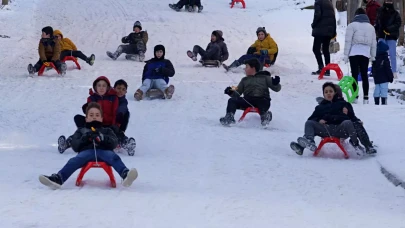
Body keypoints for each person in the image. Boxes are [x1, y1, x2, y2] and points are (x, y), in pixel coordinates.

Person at [40, 102, 138, 189]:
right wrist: (85, 138)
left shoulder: (107, 130)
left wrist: (102, 138)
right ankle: (59, 178)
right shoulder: (81, 130)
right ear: (86, 118)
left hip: (104, 152)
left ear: (101, 118)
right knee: (74, 161)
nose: (94, 117)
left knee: (114, 157)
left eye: (97, 115)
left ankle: (125, 174)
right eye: (91, 115)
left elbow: (114, 142)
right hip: (87, 152)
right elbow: (75, 145)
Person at [291, 82, 364, 156]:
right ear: (323, 94)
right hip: (325, 130)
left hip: (340, 129)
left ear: (335, 93)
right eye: (326, 92)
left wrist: (357, 121)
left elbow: (351, 116)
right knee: (309, 123)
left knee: (348, 122)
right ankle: (309, 142)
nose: (328, 93)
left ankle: (356, 145)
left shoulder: (342, 104)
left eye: (331, 91)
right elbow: (312, 118)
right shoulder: (320, 107)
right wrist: (319, 120)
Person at [220, 58, 281, 127]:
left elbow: (277, 89)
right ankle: (229, 117)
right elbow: (238, 91)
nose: (245, 69)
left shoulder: (265, 77)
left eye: (246, 67)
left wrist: (276, 84)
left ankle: (265, 117)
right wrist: (231, 91)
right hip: (248, 100)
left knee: (263, 104)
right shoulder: (244, 80)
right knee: (232, 101)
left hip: (262, 99)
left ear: (253, 68)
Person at [343, 8, 376, 104]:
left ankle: (355, 96)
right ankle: (366, 98)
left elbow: (348, 41)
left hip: (354, 52)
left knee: (354, 75)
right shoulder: (371, 27)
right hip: (365, 52)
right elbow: (374, 43)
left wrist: (346, 55)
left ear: (356, 15)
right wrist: (373, 56)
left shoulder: (352, 25)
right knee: (364, 75)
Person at [375, 0, 401, 79]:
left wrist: (389, 29)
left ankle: (393, 71)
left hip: (391, 36)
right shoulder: (380, 11)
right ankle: (381, 70)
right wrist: (377, 29)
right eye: (387, 1)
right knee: (380, 54)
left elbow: (398, 24)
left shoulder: (396, 13)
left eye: (390, 1)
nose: (388, 3)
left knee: (392, 55)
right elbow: (377, 22)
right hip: (381, 36)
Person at [311, 0, 337, 76]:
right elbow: (333, 16)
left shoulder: (318, 1)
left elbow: (317, 14)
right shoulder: (329, 2)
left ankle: (321, 68)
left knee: (315, 48)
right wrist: (333, 31)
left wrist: (314, 24)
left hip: (320, 29)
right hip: (329, 30)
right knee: (325, 50)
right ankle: (327, 69)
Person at [372, 40, 394, 105]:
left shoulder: (375, 58)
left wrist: (374, 75)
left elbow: (373, 68)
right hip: (384, 78)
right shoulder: (385, 58)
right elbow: (388, 68)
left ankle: (376, 102)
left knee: (377, 89)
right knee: (384, 89)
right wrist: (390, 77)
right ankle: (384, 102)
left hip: (377, 78)